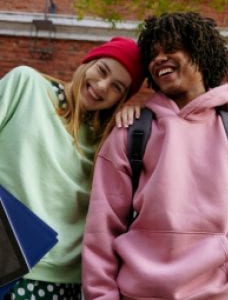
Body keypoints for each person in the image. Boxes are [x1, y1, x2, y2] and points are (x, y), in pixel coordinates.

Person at [81, 12, 228, 300]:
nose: (159, 58)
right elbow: (102, 228)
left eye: (171, 49)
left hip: (219, 294)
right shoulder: (130, 133)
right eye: (153, 54)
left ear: (200, 53)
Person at [0, 37, 145, 299]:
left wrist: (140, 118)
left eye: (117, 87)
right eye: (102, 70)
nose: (101, 87)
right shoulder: (26, 85)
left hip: (64, 282)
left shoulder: (109, 139)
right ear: (89, 61)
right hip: (4, 261)